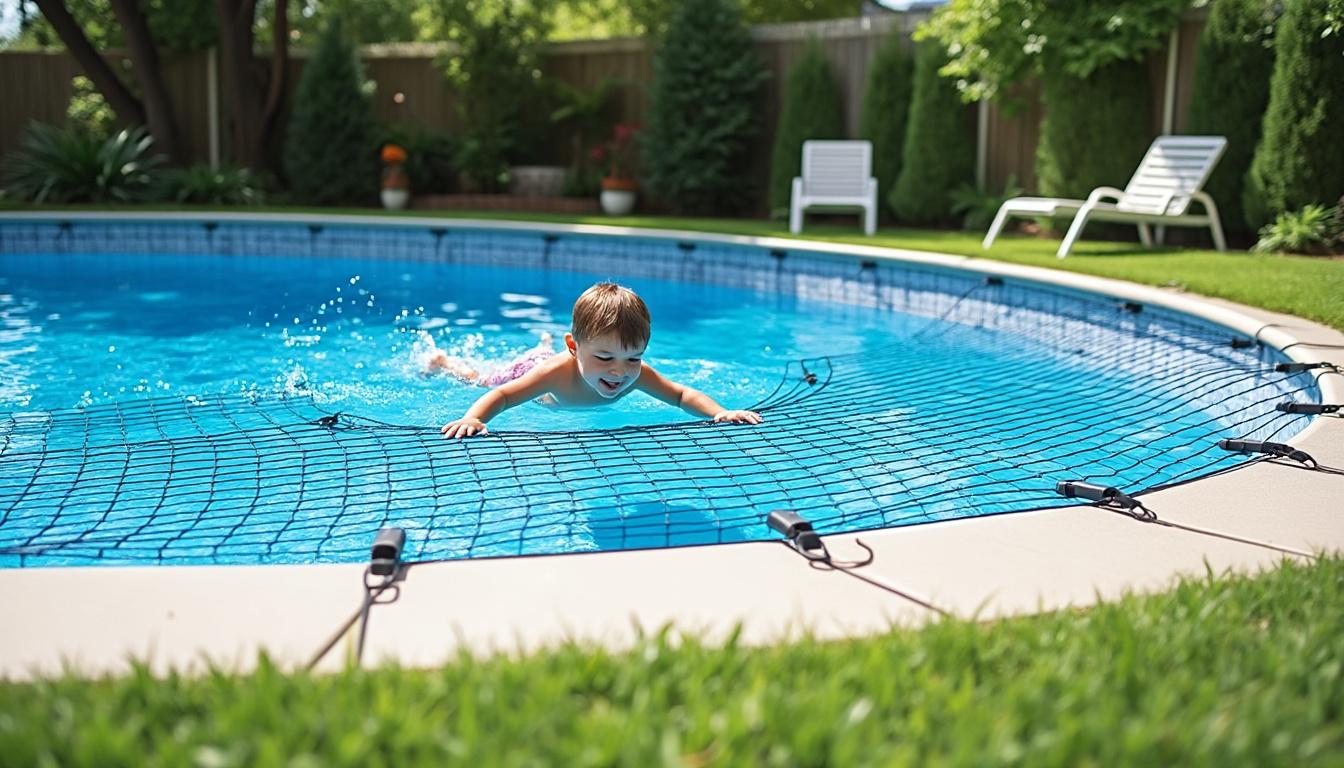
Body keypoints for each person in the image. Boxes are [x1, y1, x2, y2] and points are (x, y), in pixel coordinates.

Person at [438, 282, 763, 438]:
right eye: (605, 357)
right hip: (531, 368)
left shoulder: (636, 374)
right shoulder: (554, 374)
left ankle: (545, 342)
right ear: (574, 347)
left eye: (633, 357)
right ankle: (444, 362)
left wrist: (719, 412)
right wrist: (473, 418)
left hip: (560, 357)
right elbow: (503, 395)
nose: (620, 371)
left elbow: (681, 395)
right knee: (479, 380)